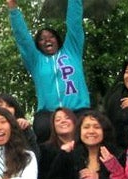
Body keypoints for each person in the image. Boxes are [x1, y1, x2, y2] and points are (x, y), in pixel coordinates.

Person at [7, 0, 90, 143]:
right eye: (41, 39)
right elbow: (23, 38)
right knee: (42, 128)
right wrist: (13, 8)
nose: (47, 40)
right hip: (49, 113)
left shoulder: (72, 51)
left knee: (92, 125)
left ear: (58, 39)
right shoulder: (36, 61)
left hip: (78, 109)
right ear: (37, 45)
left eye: (50, 36)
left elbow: (74, 22)